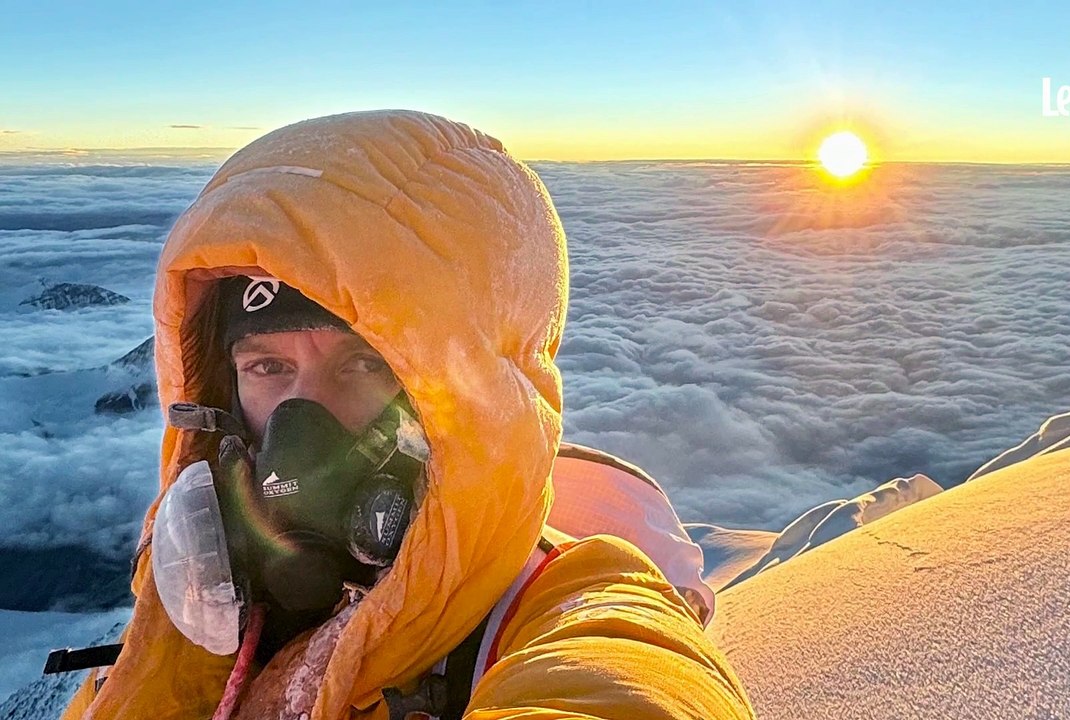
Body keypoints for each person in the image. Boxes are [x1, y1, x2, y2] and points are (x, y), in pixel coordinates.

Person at [60, 110, 755, 720]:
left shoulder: (579, 612)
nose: (307, 422)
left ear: (470, 401)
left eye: (365, 366)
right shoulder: (176, 644)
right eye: (267, 368)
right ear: (216, 396)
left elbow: (629, 686)